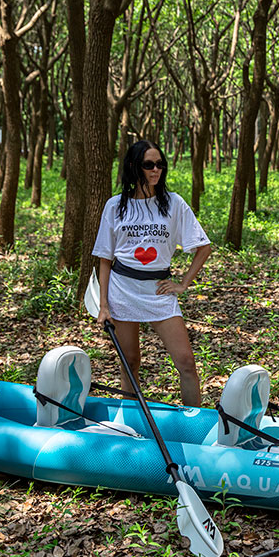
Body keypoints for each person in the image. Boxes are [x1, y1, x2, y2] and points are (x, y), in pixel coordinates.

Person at [92, 139, 212, 406]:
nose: (156, 170)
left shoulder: (174, 204)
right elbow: (104, 259)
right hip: (122, 291)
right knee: (130, 362)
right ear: (135, 167)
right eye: (149, 165)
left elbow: (203, 247)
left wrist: (182, 284)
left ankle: (195, 425)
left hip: (159, 292)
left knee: (186, 363)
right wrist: (103, 305)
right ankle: (132, 420)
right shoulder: (115, 206)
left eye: (160, 164)